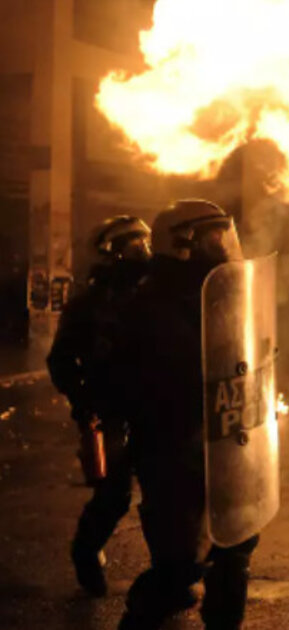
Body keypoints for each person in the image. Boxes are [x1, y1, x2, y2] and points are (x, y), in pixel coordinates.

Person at [115, 200, 260, 629]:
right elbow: (137, 380)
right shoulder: (150, 303)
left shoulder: (220, 295)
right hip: (173, 451)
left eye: (225, 236)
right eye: (214, 238)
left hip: (224, 443)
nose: (224, 246)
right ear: (182, 243)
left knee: (235, 548)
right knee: (180, 564)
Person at [46, 215, 151, 596]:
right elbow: (61, 360)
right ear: (113, 252)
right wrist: (83, 400)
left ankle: (172, 572)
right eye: (134, 243)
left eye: (145, 241)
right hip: (110, 409)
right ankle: (86, 552)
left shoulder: (154, 295)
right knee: (115, 493)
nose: (144, 249)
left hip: (152, 405)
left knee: (163, 491)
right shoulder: (89, 304)